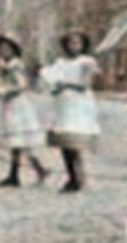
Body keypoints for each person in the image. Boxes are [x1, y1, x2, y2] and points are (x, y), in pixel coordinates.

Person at [41, 31, 101, 193]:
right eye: (71, 43)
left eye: (78, 43)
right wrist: (53, 86)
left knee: (75, 141)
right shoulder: (60, 62)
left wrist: (65, 84)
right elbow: (52, 81)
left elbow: (85, 85)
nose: (74, 46)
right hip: (63, 104)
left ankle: (77, 176)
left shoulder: (87, 62)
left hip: (79, 104)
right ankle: (72, 175)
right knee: (65, 142)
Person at [0, 36, 48, 188]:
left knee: (20, 141)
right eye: (1, 50)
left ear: (13, 50)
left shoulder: (15, 65)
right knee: (18, 143)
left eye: (7, 49)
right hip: (9, 105)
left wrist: (7, 92)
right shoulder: (4, 65)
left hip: (19, 105)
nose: (4, 52)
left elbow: (23, 84)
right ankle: (31, 171)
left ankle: (17, 175)